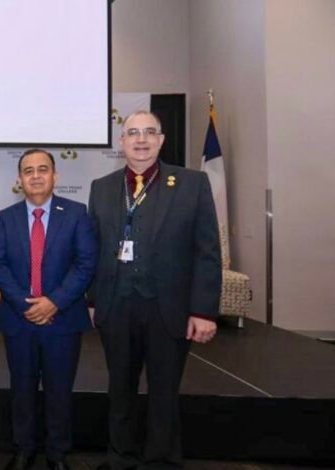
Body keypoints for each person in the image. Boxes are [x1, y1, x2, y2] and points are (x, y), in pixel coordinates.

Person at [88, 111, 221, 469]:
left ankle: (161, 460)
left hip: (169, 309)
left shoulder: (192, 183)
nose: (141, 139)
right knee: (120, 389)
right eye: (133, 133)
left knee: (164, 392)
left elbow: (207, 251)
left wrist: (203, 310)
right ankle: (120, 458)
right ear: (122, 142)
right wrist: (93, 299)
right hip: (116, 307)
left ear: (161, 140)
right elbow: (95, 249)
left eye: (149, 132)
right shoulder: (102, 187)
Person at [0, 149, 98, 470]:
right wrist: (26, 304)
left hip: (63, 320)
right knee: (21, 389)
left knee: (59, 390)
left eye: (42, 169)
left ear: (55, 175)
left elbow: (85, 263)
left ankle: (57, 453)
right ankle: (23, 449)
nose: (35, 176)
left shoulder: (76, 213)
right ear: (19, 179)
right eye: (28, 171)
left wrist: (54, 302)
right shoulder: (5, 217)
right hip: (19, 319)